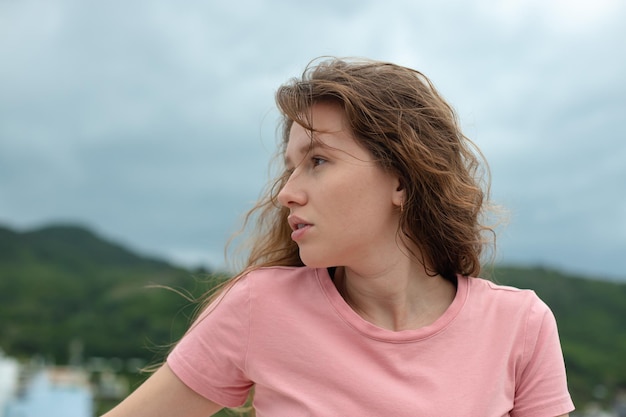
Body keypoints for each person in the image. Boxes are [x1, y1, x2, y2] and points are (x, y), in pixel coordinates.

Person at [103, 57, 575, 417]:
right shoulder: (257, 308)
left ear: (402, 179)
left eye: (318, 161)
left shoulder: (521, 326)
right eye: (290, 168)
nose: (286, 193)